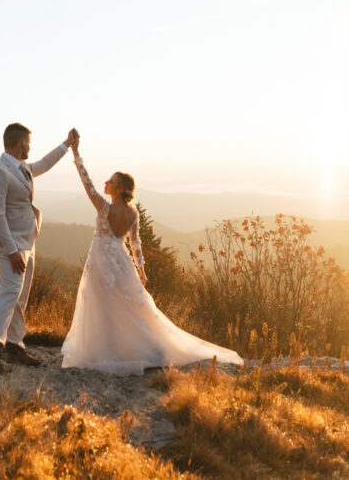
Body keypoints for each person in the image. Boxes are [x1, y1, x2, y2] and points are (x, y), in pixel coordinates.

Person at [61, 134, 244, 376]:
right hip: (121, 261)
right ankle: (141, 348)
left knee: (101, 306)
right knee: (127, 307)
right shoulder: (133, 214)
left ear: (119, 188)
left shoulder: (102, 206)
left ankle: (108, 351)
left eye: (111, 180)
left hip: (101, 260)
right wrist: (141, 270)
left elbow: (87, 182)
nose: (106, 182)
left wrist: (76, 154)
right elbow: (136, 244)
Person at [0, 122, 78, 371]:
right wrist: (12, 250)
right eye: (28, 142)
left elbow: (43, 164)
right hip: (11, 245)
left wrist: (66, 144)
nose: (30, 147)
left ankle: (14, 345)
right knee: (9, 291)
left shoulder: (21, 168)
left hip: (27, 242)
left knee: (21, 297)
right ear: (20, 142)